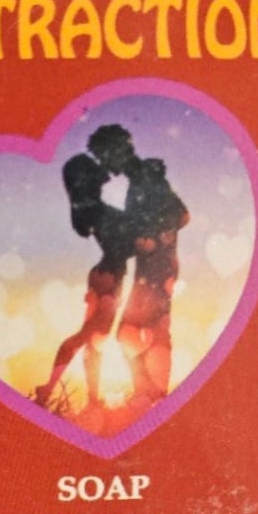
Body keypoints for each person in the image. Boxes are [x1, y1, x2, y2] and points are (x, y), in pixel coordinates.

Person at [86, 125, 190, 412]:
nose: (104, 163)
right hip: (150, 268)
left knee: (144, 329)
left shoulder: (147, 175)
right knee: (135, 331)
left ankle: (154, 397)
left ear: (117, 150)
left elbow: (181, 214)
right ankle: (149, 394)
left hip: (159, 267)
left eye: (104, 155)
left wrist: (157, 236)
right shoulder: (138, 179)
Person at [32, 151, 133, 412]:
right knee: (88, 337)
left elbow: (102, 178)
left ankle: (90, 398)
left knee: (93, 340)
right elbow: (127, 245)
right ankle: (49, 389)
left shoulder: (89, 210)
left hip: (103, 275)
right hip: (110, 277)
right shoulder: (99, 212)